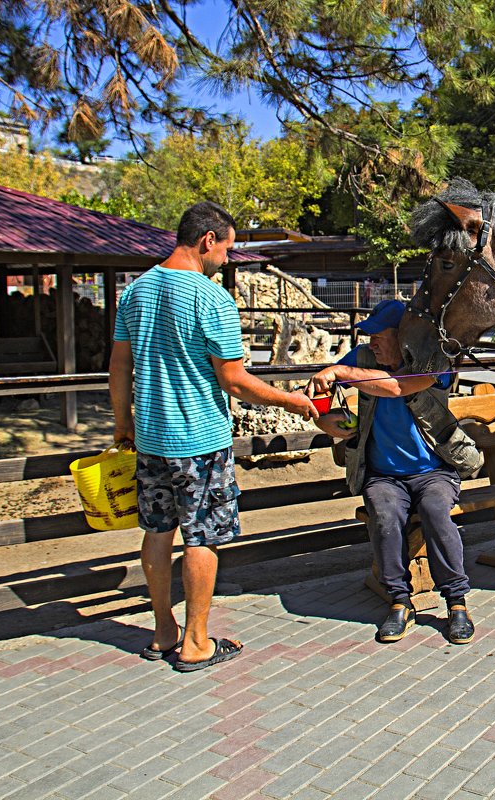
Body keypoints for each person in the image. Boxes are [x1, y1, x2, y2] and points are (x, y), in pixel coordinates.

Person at [110, 201, 317, 672]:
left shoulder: (135, 291)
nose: (227, 258)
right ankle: (196, 641)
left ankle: (164, 631)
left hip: (150, 438)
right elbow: (236, 380)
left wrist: (123, 422)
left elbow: (119, 365)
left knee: (157, 533)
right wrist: (293, 401)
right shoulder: (212, 298)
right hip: (199, 440)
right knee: (201, 537)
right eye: (228, 248)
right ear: (208, 240)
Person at [308, 300, 483, 644]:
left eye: (378, 336)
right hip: (384, 475)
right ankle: (399, 601)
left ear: (402, 337)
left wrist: (341, 373)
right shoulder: (362, 358)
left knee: (435, 511)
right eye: (369, 337)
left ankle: (457, 602)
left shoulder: (434, 359)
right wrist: (324, 418)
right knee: (384, 516)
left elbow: (398, 386)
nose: (371, 343)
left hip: (435, 471)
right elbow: (317, 396)